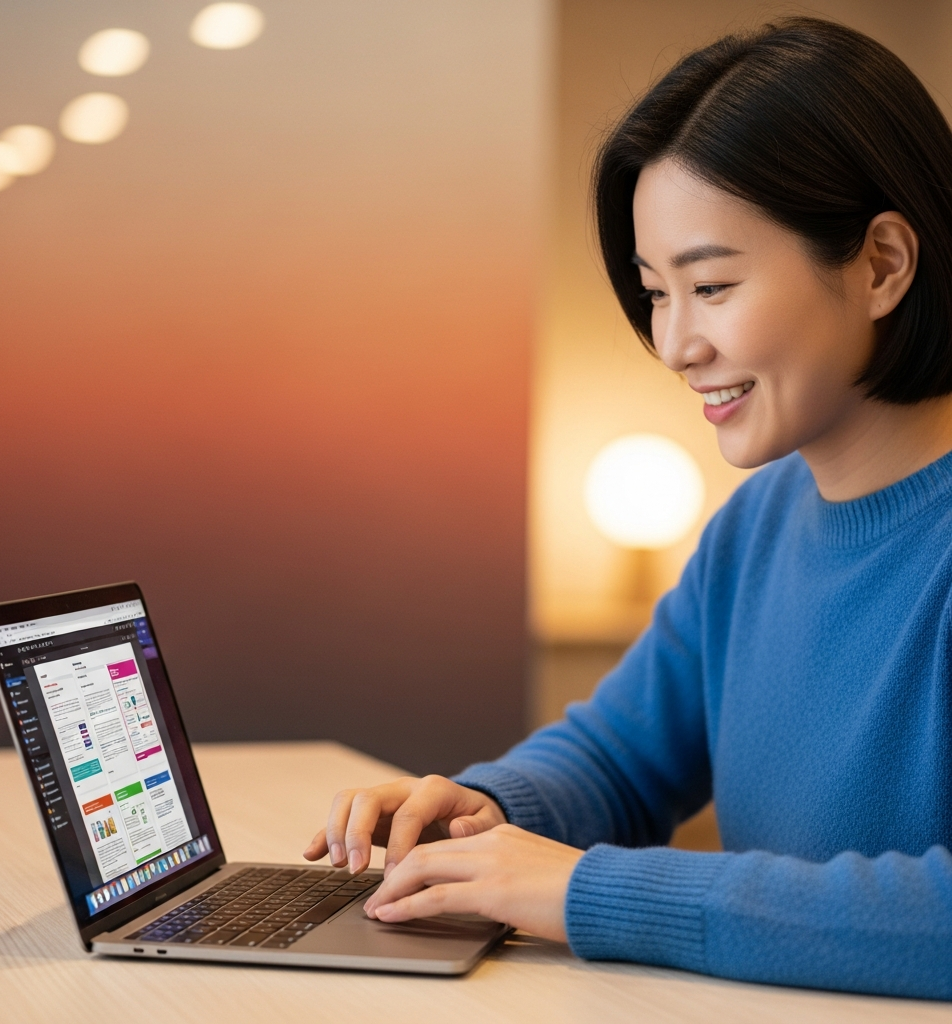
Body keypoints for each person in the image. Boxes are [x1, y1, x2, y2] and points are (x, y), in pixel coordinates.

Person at [304, 17, 952, 999]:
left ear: (882, 266)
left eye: (712, 285)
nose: (677, 345)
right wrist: (482, 811)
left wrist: (590, 892)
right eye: (655, 292)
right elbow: (619, 758)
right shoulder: (757, 525)